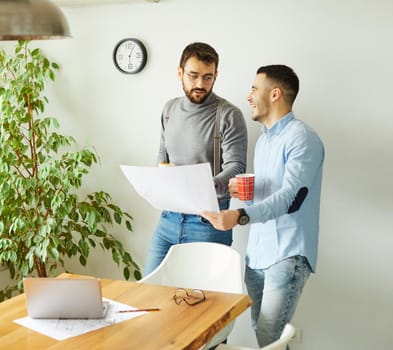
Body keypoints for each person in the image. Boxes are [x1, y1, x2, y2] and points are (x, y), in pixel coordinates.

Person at [202, 65, 325, 348]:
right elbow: (267, 194)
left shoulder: (302, 138)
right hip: (256, 255)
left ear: (275, 94)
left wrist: (239, 215)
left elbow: (291, 198)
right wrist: (243, 193)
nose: (249, 96)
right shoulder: (264, 141)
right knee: (265, 338)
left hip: (287, 255)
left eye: (255, 89)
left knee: (270, 338)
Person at [144, 42, 248, 275]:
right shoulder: (169, 109)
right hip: (169, 217)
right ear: (179, 72)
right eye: (193, 76)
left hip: (208, 221)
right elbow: (163, 156)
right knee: (150, 290)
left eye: (208, 77)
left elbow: (236, 166)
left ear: (216, 76)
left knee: (203, 303)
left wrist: (203, 184)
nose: (200, 84)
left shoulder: (229, 115)